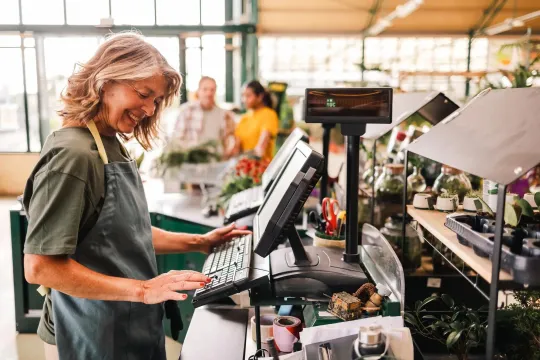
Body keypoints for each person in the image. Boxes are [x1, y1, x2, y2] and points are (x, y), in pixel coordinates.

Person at [22, 32, 249, 360]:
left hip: (123, 320)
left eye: (156, 100)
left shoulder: (110, 143)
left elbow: (121, 234)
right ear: (106, 80)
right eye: (143, 94)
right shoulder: (74, 155)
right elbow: (41, 267)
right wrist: (144, 290)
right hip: (87, 332)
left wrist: (199, 242)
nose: (149, 108)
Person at [171, 76, 235, 157]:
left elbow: (228, 140)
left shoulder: (224, 114)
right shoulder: (186, 111)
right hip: (192, 161)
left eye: (212, 90)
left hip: (216, 161)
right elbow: (177, 139)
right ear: (198, 91)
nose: (209, 93)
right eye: (205, 89)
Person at [231, 80, 279, 160]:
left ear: (260, 97)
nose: (244, 100)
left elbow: (260, 148)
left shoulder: (268, 114)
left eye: (248, 96)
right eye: (243, 96)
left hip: (261, 168)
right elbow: (236, 148)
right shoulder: (244, 118)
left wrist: (243, 156)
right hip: (243, 166)